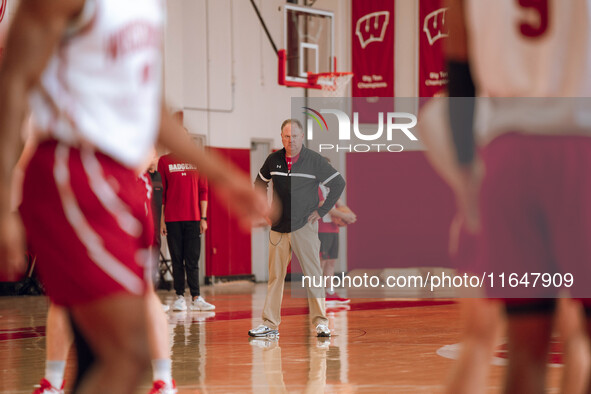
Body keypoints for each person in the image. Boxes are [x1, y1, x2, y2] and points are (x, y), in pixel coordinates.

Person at [0, 1, 267, 393]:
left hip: (120, 182)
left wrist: (227, 178)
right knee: (126, 350)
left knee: (107, 352)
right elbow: (13, 84)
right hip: (75, 170)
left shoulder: (147, 8)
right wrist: (5, 203)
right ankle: (55, 380)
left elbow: (150, 107)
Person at [445, 0, 591, 392]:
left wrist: (465, 172)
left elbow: (458, 71)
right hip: (583, 143)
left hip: (508, 156)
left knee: (524, 348)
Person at [248, 119, 346, 338]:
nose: (290, 140)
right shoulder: (273, 159)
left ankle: (321, 323)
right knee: (275, 278)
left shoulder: (314, 160)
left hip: (305, 227)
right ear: (281, 137)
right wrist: (265, 211)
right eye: (286, 136)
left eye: (294, 136)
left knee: (313, 275)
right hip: (278, 228)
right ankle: (270, 324)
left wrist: (322, 212)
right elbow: (259, 183)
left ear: (302, 137)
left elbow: (338, 183)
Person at [158, 144, 215, 312]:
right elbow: (162, 193)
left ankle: (196, 297)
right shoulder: (164, 161)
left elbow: (203, 191)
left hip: (194, 219)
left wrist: (203, 218)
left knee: (192, 260)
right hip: (172, 219)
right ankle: (180, 297)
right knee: (177, 260)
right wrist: (162, 220)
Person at [317, 157, 356, 305]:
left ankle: (330, 292)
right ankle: (317, 294)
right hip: (321, 228)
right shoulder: (315, 186)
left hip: (333, 229)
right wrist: (343, 215)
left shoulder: (331, 187)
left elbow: (339, 203)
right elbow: (322, 205)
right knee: (321, 262)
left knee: (331, 262)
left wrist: (351, 215)